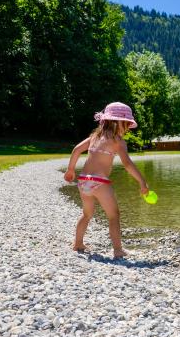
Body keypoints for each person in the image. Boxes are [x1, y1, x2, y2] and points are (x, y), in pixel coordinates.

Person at [63, 102, 149, 259]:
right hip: (100, 182)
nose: (129, 127)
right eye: (127, 123)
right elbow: (128, 164)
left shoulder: (94, 137)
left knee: (87, 214)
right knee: (113, 216)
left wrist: (70, 170)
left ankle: (78, 243)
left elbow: (76, 150)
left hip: (84, 182)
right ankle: (117, 250)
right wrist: (142, 182)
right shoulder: (118, 141)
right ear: (116, 122)